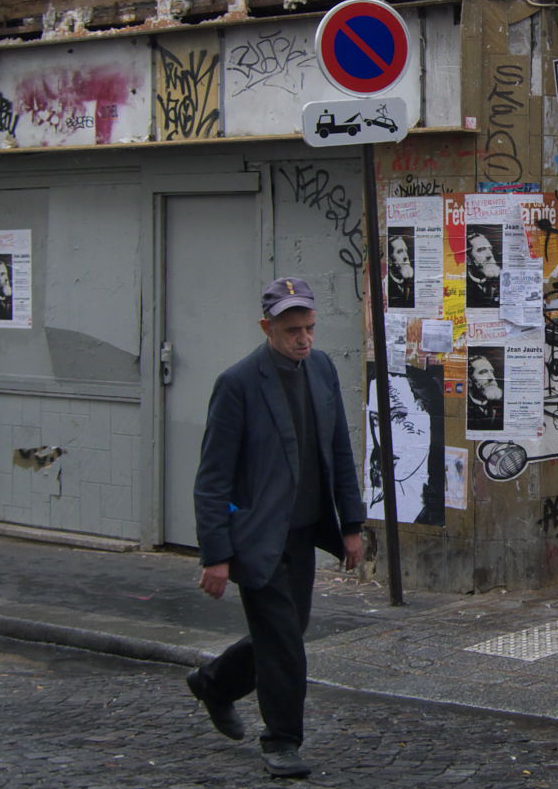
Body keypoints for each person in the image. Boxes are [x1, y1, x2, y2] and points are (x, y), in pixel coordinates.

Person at [183, 277, 365, 779]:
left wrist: (352, 524)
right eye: (292, 331)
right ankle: (282, 741)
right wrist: (215, 554)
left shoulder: (322, 369)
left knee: (288, 631)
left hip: (305, 531)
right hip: (258, 538)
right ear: (268, 327)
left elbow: (340, 453)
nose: (303, 339)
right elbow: (212, 478)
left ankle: (215, 683)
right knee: (284, 640)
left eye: (308, 328)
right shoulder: (238, 383)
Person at [465, 225, 502, 308]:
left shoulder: (500, 281)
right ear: (468, 259)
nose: (490, 255)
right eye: (481, 250)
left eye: (490, 249)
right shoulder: (464, 287)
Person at [467, 349, 504, 431]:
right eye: (483, 372)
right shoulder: (464, 410)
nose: (492, 378)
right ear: (469, 381)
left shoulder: (501, 409)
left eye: (492, 372)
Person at [386, 229, 414, 309]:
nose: (406, 257)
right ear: (390, 260)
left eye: (406, 251)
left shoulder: (411, 285)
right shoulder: (386, 288)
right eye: (400, 252)